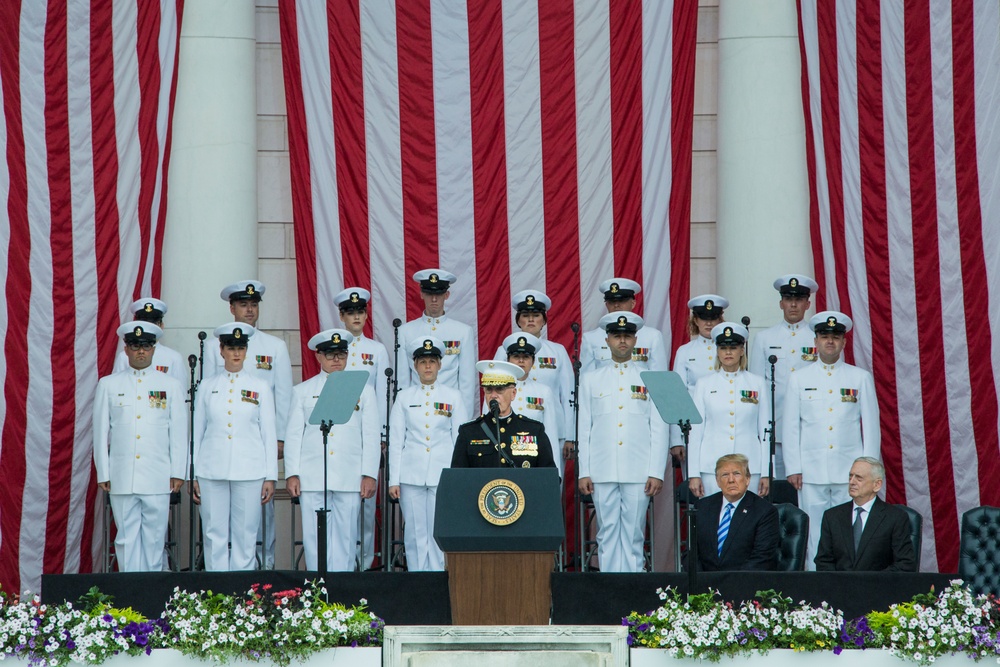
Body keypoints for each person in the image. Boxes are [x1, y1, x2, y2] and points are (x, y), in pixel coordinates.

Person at [783, 311, 880, 569]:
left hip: (850, 471)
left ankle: (847, 583)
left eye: (835, 337)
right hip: (810, 470)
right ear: (815, 340)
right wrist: (793, 467)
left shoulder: (859, 378)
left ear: (844, 342)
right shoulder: (799, 379)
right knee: (813, 533)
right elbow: (791, 427)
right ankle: (815, 589)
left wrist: (868, 471)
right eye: (824, 336)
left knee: (850, 531)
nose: (830, 342)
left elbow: (871, 428)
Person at [206, 280, 292, 569]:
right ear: (232, 308)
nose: (250, 309)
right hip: (220, 450)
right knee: (219, 527)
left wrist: (280, 439)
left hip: (258, 446)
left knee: (258, 521)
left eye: (254, 304)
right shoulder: (212, 345)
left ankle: (263, 570)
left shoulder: (275, 346)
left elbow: (283, 396)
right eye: (244, 304)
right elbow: (207, 399)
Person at [577, 312, 669, 572]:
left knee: (634, 533)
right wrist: (584, 471)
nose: (622, 341)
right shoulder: (591, 379)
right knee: (606, 532)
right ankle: (610, 588)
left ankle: (633, 589)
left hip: (638, 468)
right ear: (606, 340)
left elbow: (659, 428)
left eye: (627, 336)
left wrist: (655, 471)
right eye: (617, 336)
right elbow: (585, 428)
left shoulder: (650, 378)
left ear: (635, 339)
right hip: (602, 468)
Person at [284, 329, 381, 572]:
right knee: (314, 540)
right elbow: (294, 435)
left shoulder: (364, 391)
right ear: (318, 357)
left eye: (341, 354)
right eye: (330, 355)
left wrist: (369, 473)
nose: (336, 360)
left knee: (346, 539)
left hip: (350, 475)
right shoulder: (302, 391)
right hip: (313, 474)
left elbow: (370, 435)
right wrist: (292, 473)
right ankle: (319, 591)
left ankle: (342, 595)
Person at [93, 321, 186, 571]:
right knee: (125, 539)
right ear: (126, 349)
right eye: (135, 346)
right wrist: (104, 471)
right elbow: (101, 432)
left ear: (154, 348)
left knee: (155, 539)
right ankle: (129, 595)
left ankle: (152, 595)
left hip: (158, 475)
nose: (141, 351)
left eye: (146, 346)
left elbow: (178, 432)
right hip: (122, 475)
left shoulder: (170, 385)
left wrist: (178, 471)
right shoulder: (109, 384)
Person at [193, 323, 277, 571]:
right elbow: (197, 433)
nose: (236, 353)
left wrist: (270, 475)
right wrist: (194, 473)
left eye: (241, 347)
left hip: (249, 469)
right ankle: (216, 594)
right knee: (213, 533)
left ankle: (242, 594)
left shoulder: (259, 386)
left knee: (246, 534)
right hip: (211, 469)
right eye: (231, 347)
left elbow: (268, 434)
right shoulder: (207, 386)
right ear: (221, 350)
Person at [388, 337, 464, 571]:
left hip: (442, 473)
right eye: (423, 362)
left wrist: (457, 477)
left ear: (440, 365)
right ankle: (418, 579)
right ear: (415, 365)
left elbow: (460, 441)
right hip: (411, 474)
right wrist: (394, 479)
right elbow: (396, 440)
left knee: (439, 530)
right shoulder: (404, 397)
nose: (428, 366)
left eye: (432, 361)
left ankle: (440, 578)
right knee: (414, 532)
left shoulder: (453, 397)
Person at [334, 286, 390, 570]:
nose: (356, 317)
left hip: (367, 435)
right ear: (342, 316)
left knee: (367, 507)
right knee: (340, 503)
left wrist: (380, 436)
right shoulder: (333, 349)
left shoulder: (376, 349)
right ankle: (342, 563)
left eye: (360, 312)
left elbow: (382, 394)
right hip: (340, 436)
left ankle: (366, 563)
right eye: (350, 312)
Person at [748, 274, 820, 479]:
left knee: (809, 489)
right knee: (777, 491)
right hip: (776, 428)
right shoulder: (764, 338)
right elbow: (757, 387)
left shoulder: (818, 338)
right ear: (781, 303)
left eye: (798, 300)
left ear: (807, 304)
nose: (793, 305)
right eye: (789, 299)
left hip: (809, 427)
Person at [687, 323, 770, 499]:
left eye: (733, 347)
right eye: (723, 348)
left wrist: (766, 472)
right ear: (717, 351)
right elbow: (695, 432)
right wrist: (693, 473)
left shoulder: (757, 383)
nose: (728, 352)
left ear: (742, 350)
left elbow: (765, 431)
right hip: (711, 467)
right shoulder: (704, 384)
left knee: (747, 520)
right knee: (715, 518)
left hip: (749, 466)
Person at [398, 269, 477, 419]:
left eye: (439, 294)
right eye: (429, 294)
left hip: (450, 410)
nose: (434, 299)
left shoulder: (462, 332)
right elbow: (403, 380)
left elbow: (466, 383)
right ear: (421, 294)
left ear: (446, 295)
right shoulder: (405, 332)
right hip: (416, 411)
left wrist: (464, 422)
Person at [815, 457, 916, 571]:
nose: (852, 482)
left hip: (878, 586)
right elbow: (823, 561)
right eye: (850, 476)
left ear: (877, 485)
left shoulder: (895, 517)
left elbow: (904, 563)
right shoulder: (832, 516)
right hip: (840, 586)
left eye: (859, 478)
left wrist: (871, 583)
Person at [451, 360, 556, 470]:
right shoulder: (469, 432)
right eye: (489, 390)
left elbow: (548, 476)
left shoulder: (534, 430)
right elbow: (457, 478)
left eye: (500, 389)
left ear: (513, 394)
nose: (493, 395)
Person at [669, 294, 730, 460]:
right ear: (695, 320)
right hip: (693, 427)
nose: (708, 323)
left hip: (725, 427)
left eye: (713, 318)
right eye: (703, 318)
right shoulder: (685, 351)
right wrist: (676, 439)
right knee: (695, 483)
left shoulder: (732, 350)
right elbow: (677, 395)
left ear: (720, 320)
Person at [695, 454, 778, 571]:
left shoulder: (764, 511)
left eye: (736, 474)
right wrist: (701, 580)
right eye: (725, 475)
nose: (731, 480)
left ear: (747, 479)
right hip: (705, 584)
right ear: (717, 481)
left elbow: (762, 558)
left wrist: (732, 582)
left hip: (743, 583)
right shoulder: (702, 507)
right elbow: (690, 552)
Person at [493, 332, 562, 474]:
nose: (521, 361)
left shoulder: (544, 392)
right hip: (502, 460)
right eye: (516, 357)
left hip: (533, 462)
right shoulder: (496, 390)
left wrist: (555, 474)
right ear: (508, 359)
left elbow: (551, 437)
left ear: (533, 361)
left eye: (526, 357)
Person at [579, 278, 668, 373]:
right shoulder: (591, 338)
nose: (616, 305)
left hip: (638, 388)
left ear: (633, 303)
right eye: (612, 301)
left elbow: (659, 378)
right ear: (606, 305)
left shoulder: (652, 336)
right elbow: (586, 378)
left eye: (622, 300)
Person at [111, 298, 186, 385]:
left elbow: (180, 394)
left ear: (161, 325)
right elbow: (116, 387)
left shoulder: (174, 358)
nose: (148, 328)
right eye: (144, 323)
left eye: (154, 323)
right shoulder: (124, 357)